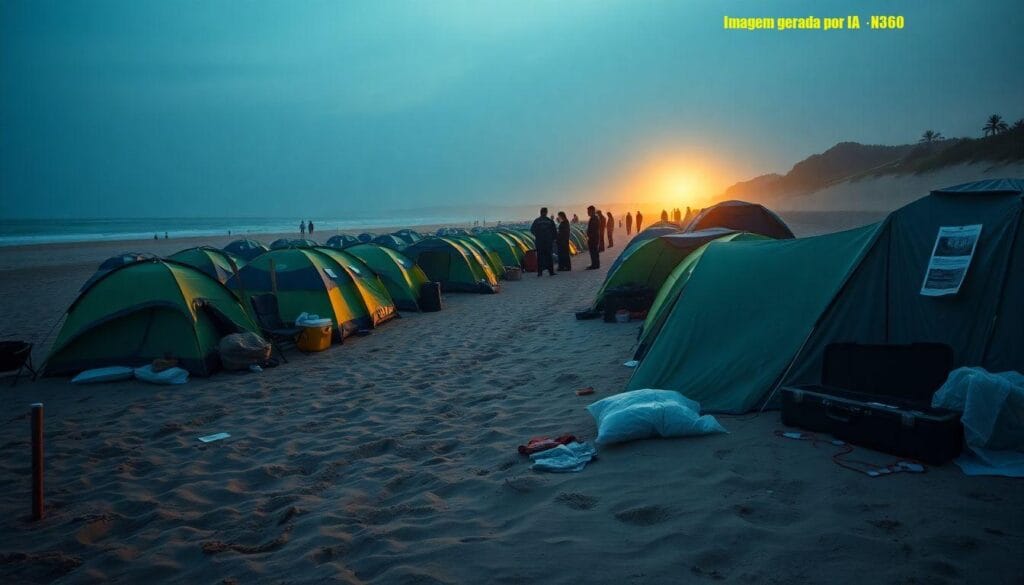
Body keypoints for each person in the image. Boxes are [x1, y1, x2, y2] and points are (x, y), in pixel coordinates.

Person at [530, 207, 558, 277]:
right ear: (546, 212)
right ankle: (551, 272)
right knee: (549, 256)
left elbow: (532, 230)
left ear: (540, 212)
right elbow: (554, 231)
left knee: (540, 257)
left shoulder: (537, 221)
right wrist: (552, 238)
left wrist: (538, 235)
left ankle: (540, 272)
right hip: (548, 242)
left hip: (539, 242)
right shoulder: (549, 221)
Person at [585, 205, 601, 269]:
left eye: (588, 211)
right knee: (594, 252)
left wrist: (589, 236)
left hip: (593, 238)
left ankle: (595, 265)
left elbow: (593, 229)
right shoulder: (594, 218)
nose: (587, 212)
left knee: (594, 252)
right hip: (593, 238)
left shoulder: (594, 218)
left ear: (592, 211)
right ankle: (595, 264)